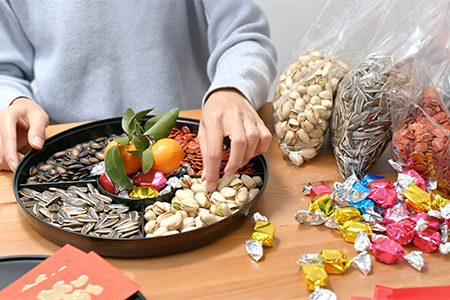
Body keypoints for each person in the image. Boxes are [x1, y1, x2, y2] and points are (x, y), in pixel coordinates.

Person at [0, 0, 277, 192]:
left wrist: (232, 88)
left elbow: (246, 33)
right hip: (61, 157)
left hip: (195, 145)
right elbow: (4, 71)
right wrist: (11, 101)